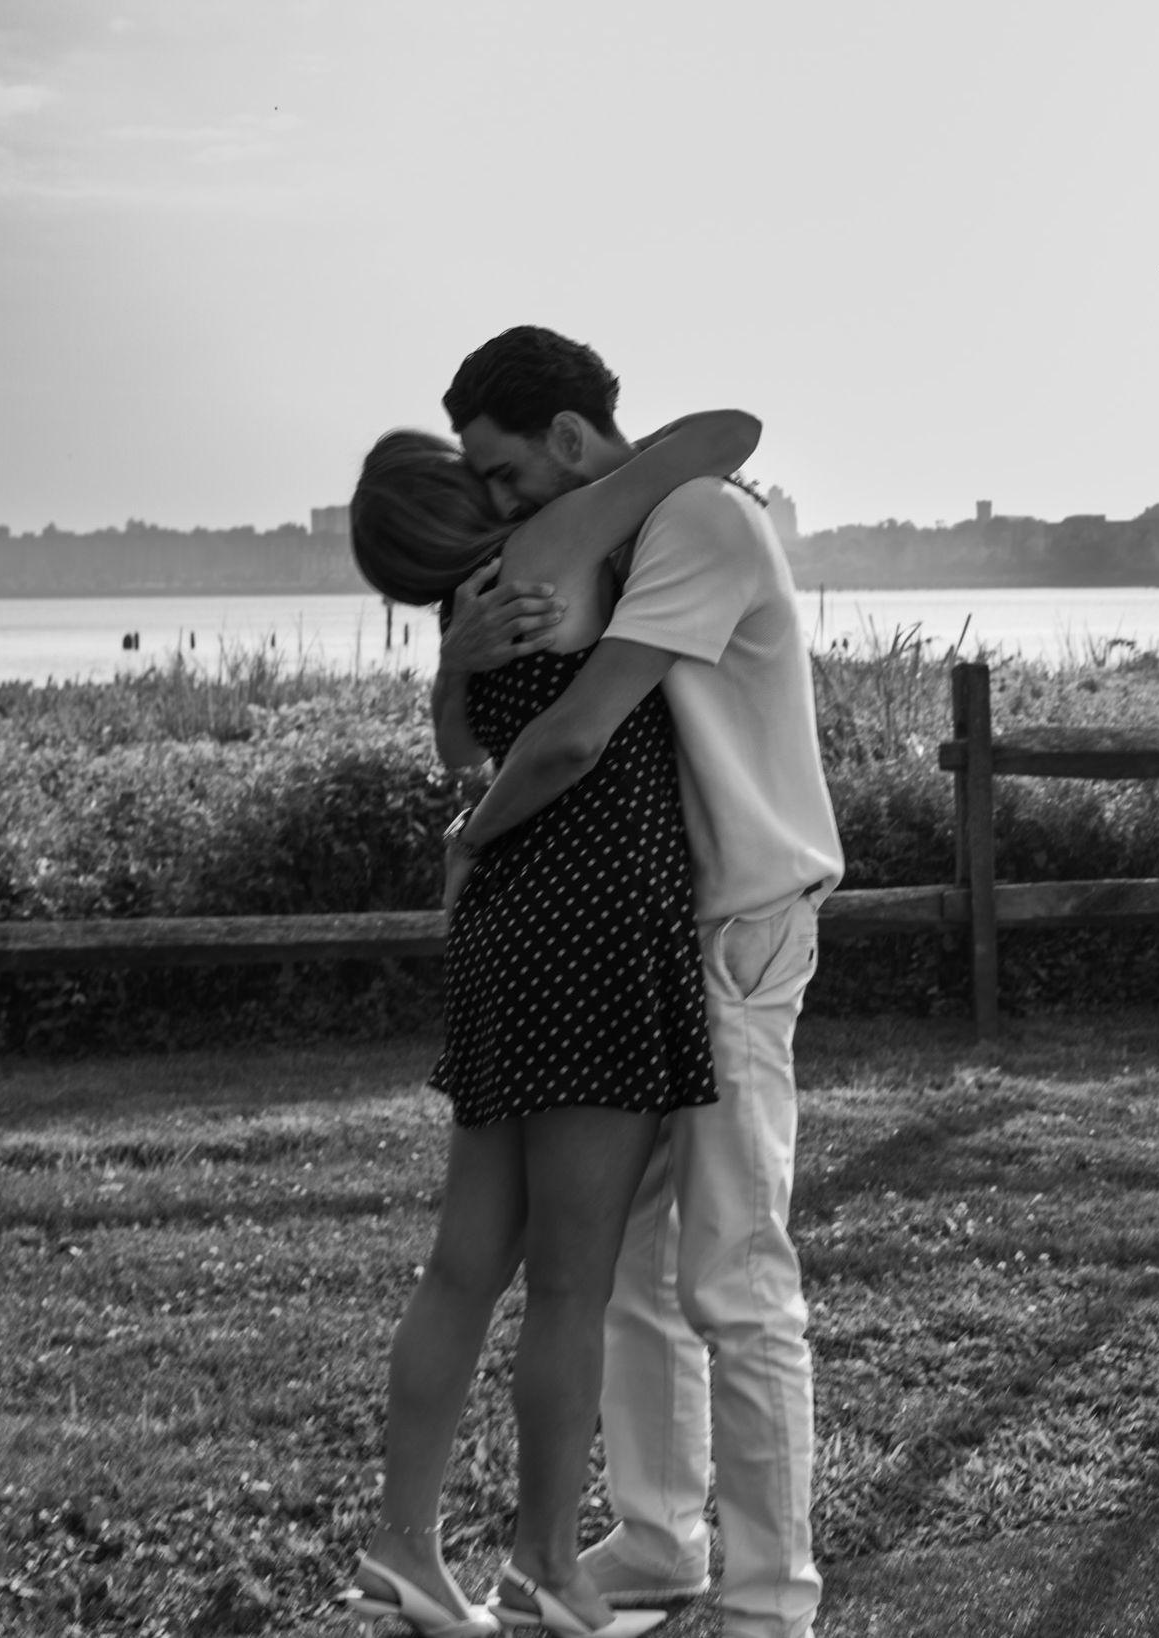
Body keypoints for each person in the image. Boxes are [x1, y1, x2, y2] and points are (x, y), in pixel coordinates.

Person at [434, 326, 844, 1638]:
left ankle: (770, 1599)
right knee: (629, 1272)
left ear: (568, 437)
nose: (500, 504)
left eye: (505, 473)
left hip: (736, 927)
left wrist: (469, 843)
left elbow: (574, 733)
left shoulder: (698, 523)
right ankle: (660, 1542)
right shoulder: (620, 534)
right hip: (653, 935)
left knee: (731, 1272)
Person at [337, 405, 762, 1638]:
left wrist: (451, 668)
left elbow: (460, 753)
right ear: (459, 488)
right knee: (573, 1286)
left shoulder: (464, 611)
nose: (501, 481)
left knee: (463, 1267)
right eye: (479, 470)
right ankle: (543, 1566)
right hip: (595, 928)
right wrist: (591, 458)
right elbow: (725, 433)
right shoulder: (557, 541)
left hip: (503, 934)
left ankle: (403, 1549)